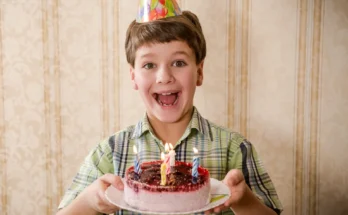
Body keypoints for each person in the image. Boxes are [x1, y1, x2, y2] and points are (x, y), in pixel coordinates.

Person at [57, 0, 283, 214]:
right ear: (133, 76)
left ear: (200, 71)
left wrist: (243, 200)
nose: (164, 77)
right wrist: (89, 200)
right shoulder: (110, 154)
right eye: (149, 65)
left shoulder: (234, 150)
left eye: (178, 63)